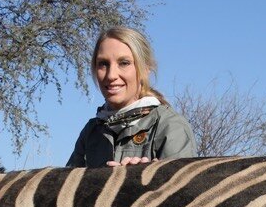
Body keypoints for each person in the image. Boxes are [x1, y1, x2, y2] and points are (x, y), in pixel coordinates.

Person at [67, 27, 197, 167]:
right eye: (103, 64)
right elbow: (68, 186)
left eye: (124, 63)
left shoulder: (170, 125)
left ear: (145, 69)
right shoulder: (91, 131)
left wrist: (140, 179)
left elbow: (181, 186)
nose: (111, 75)